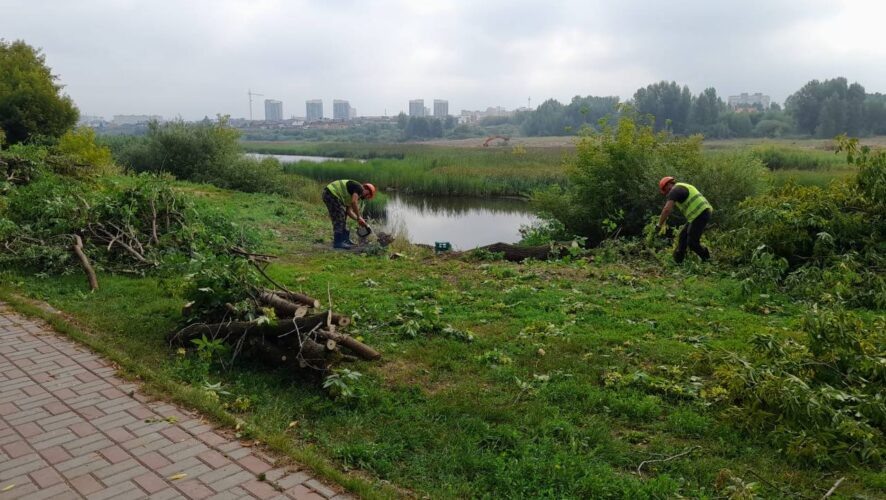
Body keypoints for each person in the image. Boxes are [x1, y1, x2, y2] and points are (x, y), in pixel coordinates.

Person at [656, 176, 712, 263]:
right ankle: (678, 262)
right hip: (699, 214)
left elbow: (666, 210)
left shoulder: (674, 190)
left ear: (668, 185)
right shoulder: (682, 186)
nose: (666, 193)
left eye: (665, 190)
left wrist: (659, 225)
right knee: (683, 237)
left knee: (692, 242)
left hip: (700, 213)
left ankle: (707, 259)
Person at [323, 179, 377, 249]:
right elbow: (354, 202)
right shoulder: (359, 188)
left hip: (331, 195)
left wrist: (358, 220)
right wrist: (359, 216)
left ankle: (345, 240)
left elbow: (349, 211)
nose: (367, 197)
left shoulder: (354, 193)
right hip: (330, 193)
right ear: (367, 190)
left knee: (343, 216)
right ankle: (338, 243)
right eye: (368, 195)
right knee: (339, 217)